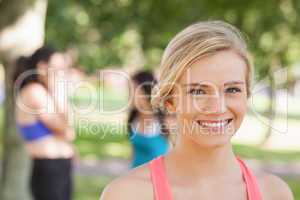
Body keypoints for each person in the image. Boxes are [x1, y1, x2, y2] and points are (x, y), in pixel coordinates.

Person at [100, 21, 294, 200]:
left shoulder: (275, 193)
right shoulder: (127, 194)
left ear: (247, 96)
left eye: (232, 89)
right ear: (170, 101)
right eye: (198, 91)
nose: (217, 108)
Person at [14, 46, 75, 200]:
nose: (62, 73)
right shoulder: (34, 91)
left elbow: (67, 129)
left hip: (58, 167)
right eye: (58, 68)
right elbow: (63, 127)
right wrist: (57, 91)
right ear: (42, 66)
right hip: (49, 169)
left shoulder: (44, 92)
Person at [128, 70, 169, 168]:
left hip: (157, 179)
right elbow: (134, 153)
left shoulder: (165, 122)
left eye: (132, 90)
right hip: (135, 176)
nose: (129, 95)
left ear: (145, 92)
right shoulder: (133, 118)